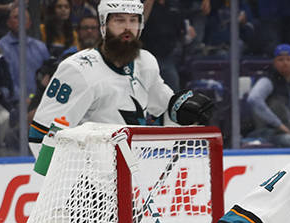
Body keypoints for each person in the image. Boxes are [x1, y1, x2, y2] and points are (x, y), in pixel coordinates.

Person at [28, 0, 212, 158]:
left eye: (133, 20)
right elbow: (41, 135)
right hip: (86, 183)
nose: (127, 28)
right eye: (119, 20)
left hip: (131, 175)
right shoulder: (78, 69)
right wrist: (69, 183)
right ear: (103, 25)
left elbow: (164, 108)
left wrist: (183, 111)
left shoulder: (145, 62)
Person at [0, 6, 51, 100]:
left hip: (39, 102)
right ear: (8, 23)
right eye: (16, 17)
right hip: (10, 104)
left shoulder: (40, 47)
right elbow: (2, 83)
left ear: (29, 23)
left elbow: (48, 74)